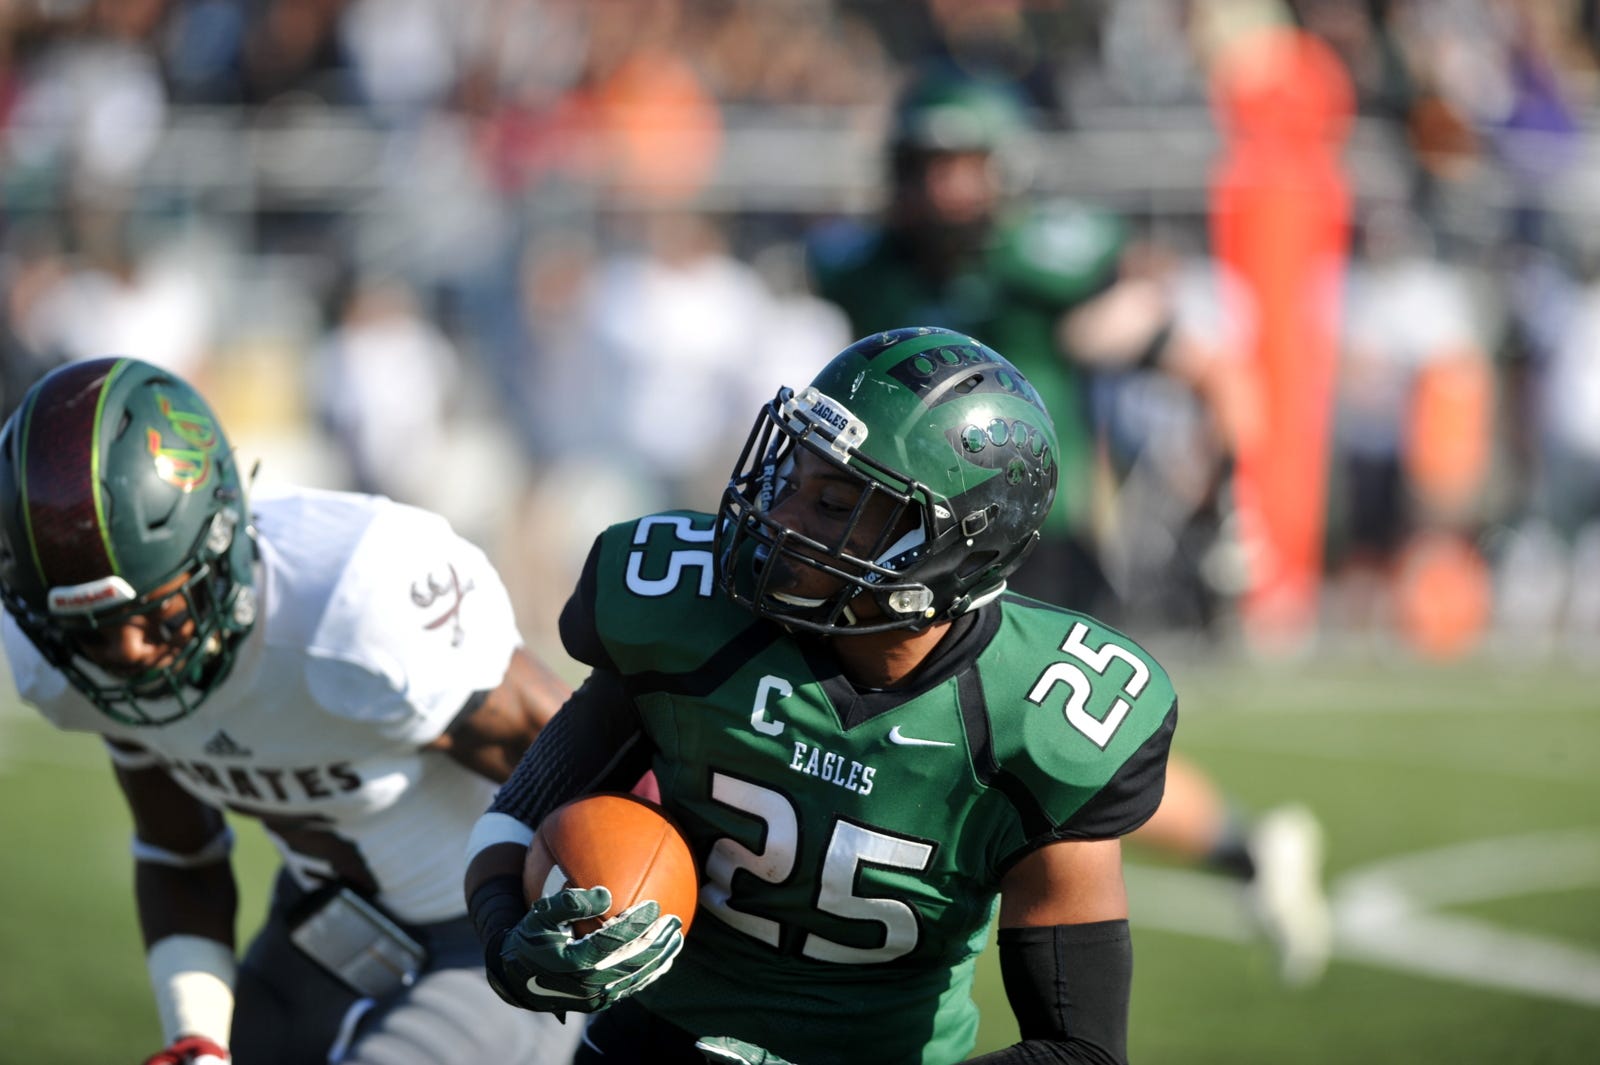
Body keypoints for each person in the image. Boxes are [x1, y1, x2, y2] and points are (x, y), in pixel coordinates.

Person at [464, 326, 1177, 1064]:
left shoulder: (1040, 711)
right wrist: (507, 939)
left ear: (953, 546)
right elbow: (520, 810)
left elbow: (1081, 1049)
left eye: (835, 501)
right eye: (792, 474)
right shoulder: (693, 615)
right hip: (652, 1043)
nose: (781, 516)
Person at [807, 64, 1332, 988]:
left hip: (1028, 540)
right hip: (894, 533)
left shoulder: (1047, 264)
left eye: (964, 163)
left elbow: (1215, 377)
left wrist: (1216, 500)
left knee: (1035, 768)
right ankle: (1251, 846)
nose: (944, 187)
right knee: (996, 762)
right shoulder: (863, 266)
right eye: (927, 164)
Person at [0, 357, 583, 1065]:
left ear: (218, 545)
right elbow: (180, 852)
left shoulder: (355, 607)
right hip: (320, 929)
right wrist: (197, 1036)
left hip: (489, 931)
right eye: (89, 630)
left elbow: (586, 757)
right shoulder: (57, 665)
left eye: (156, 611)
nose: (126, 651)